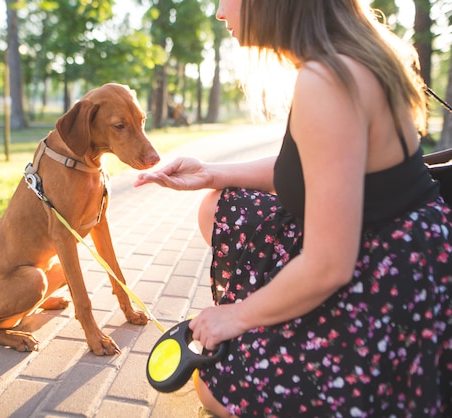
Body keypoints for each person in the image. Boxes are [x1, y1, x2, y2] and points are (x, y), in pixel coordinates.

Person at [135, 0, 452, 416]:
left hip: (389, 277)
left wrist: (235, 316)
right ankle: (280, 308)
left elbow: (328, 265)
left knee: (213, 388)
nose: (219, 13)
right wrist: (210, 173)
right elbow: (312, 170)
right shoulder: (343, 57)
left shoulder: (328, 80)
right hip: (380, 239)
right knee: (218, 206)